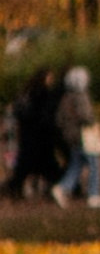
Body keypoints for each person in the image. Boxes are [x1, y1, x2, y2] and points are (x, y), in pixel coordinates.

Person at [6, 62, 64, 201]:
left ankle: (15, 188)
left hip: (29, 136)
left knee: (25, 167)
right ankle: (64, 187)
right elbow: (44, 114)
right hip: (39, 136)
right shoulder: (42, 94)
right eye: (50, 77)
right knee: (47, 166)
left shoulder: (27, 93)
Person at [53, 63, 100, 205]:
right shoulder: (81, 96)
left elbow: (59, 119)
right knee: (94, 164)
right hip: (84, 136)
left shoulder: (65, 98)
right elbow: (86, 116)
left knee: (76, 164)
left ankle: (62, 187)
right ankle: (94, 194)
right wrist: (93, 122)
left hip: (70, 136)